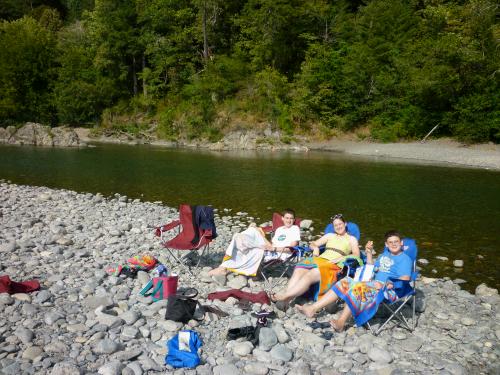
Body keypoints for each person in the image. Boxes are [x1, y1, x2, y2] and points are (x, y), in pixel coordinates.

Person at [296, 230, 412, 332]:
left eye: (396, 241)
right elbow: (371, 267)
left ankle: (341, 322)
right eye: (390, 242)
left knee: (357, 287)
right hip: (372, 284)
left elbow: (404, 280)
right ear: (386, 244)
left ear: (401, 243)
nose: (393, 244)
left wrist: (386, 284)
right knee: (344, 282)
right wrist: (368, 253)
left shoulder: (405, 259)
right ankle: (312, 309)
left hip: (388, 291)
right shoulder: (383, 255)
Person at [271, 214, 360, 306]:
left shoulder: (352, 239)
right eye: (335, 225)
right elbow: (312, 243)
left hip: (333, 263)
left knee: (310, 274)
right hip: (319, 259)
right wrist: (316, 248)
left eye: (340, 224)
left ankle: (285, 297)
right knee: (299, 269)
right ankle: (286, 300)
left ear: (345, 224)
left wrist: (342, 258)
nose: (338, 227)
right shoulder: (330, 235)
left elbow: (356, 255)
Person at [208, 209, 300, 277]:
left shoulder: (295, 229)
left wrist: (273, 249)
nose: (289, 220)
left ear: (294, 219)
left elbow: (292, 247)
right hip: (271, 249)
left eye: (291, 218)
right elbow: (272, 244)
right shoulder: (280, 229)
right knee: (248, 232)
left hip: (278, 253)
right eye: (287, 218)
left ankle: (224, 267)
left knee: (249, 248)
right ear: (283, 219)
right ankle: (238, 252)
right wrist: (260, 234)